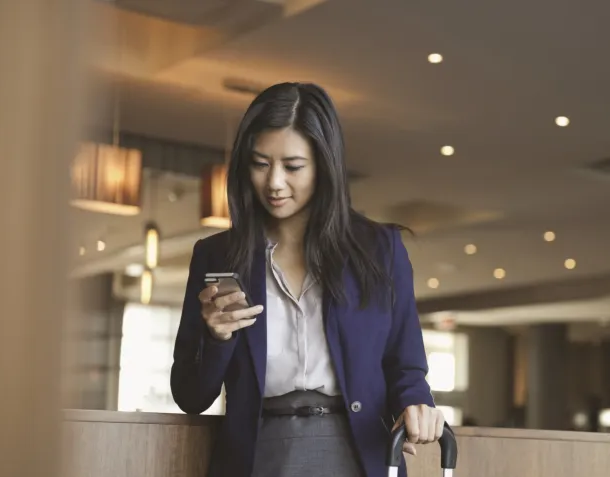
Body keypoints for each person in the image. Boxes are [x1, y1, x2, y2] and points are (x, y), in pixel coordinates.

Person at [171, 82, 444, 477]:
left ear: (324, 164)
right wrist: (216, 338)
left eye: (293, 166)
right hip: (256, 454)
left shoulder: (379, 249)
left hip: (357, 449)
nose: (274, 182)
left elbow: (405, 366)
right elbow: (190, 396)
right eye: (260, 163)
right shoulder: (216, 255)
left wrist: (417, 406)